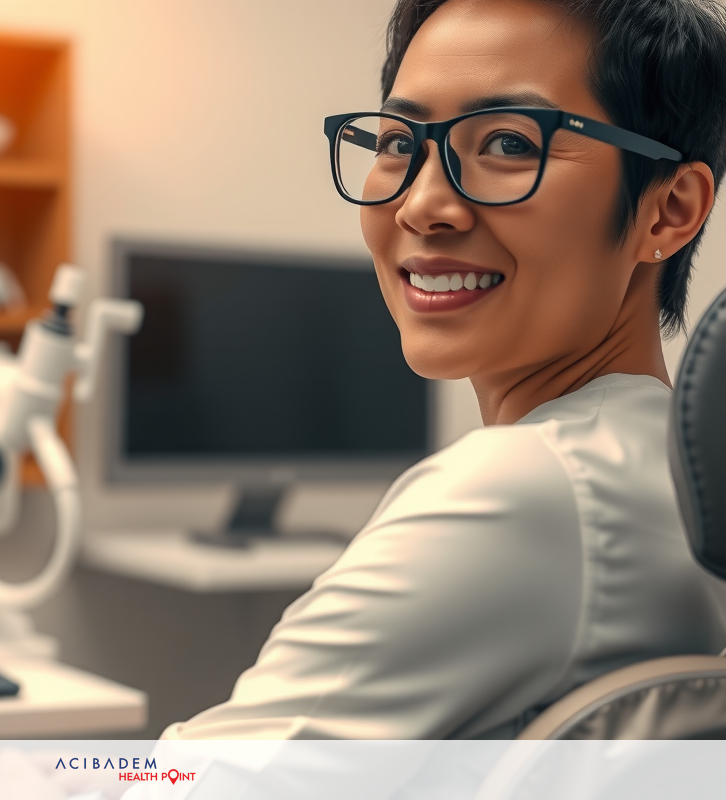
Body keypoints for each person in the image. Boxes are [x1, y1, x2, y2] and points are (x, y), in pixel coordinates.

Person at [163, 0, 726, 739]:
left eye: (506, 143)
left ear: (668, 210)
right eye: (398, 142)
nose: (423, 204)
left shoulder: (523, 490)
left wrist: (62, 773)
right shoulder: (666, 463)